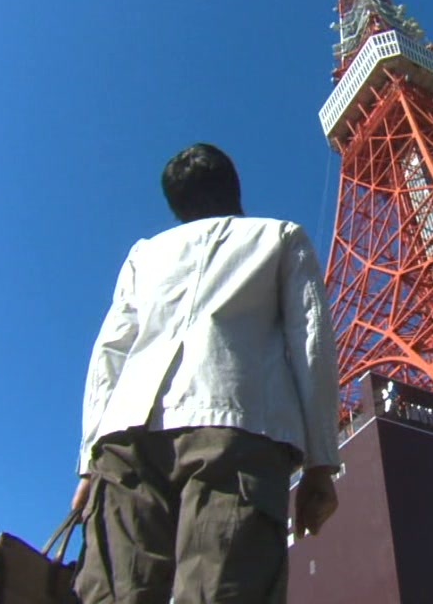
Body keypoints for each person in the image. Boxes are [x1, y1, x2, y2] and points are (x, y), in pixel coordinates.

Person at [71, 143, 342, 604]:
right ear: (235, 190)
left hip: (127, 436)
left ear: (176, 205)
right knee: (224, 589)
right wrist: (321, 461)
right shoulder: (279, 237)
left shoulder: (145, 255)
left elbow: (109, 355)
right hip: (236, 427)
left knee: (120, 593)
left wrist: (86, 462)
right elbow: (311, 345)